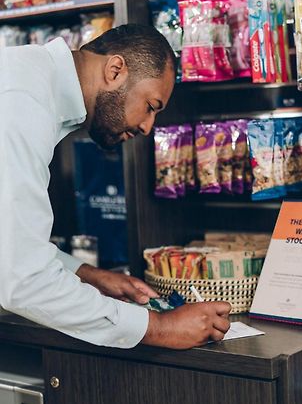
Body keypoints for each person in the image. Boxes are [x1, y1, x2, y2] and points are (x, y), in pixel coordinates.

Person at [0, 24, 231, 350]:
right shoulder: (23, 101)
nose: (148, 127)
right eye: (151, 106)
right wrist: (161, 327)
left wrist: (86, 274)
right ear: (115, 70)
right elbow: (23, 280)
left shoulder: (29, 82)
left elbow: (8, 246)